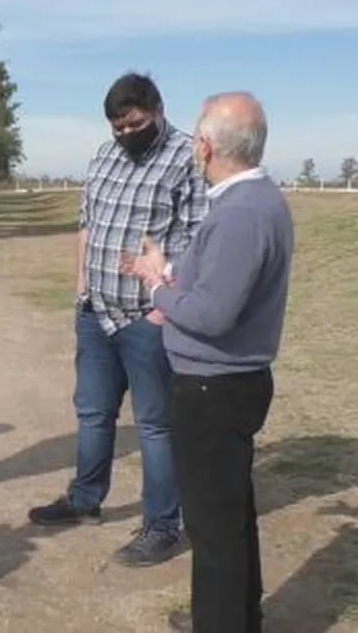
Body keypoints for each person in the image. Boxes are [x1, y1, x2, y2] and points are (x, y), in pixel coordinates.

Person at [123, 92, 293, 633]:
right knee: (231, 516)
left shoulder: (242, 212)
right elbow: (218, 282)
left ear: (205, 145)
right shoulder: (251, 202)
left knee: (213, 528)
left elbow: (214, 313)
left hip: (212, 389)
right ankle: (235, 615)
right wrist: (170, 270)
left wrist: (157, 290)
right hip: (225, 384)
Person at [27, 73, 208, 567]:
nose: (126, 135)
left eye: (134, 124)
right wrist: (80, 286)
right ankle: (85, 499)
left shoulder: (187, 158)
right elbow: (87, 222)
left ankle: (162, 526)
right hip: (96, 313)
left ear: (158, 110)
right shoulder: (103, 156)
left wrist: (159, 307)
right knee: (92, 414)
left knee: (154, 425)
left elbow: (197, 242)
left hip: (146, 320)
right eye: (117, 128)